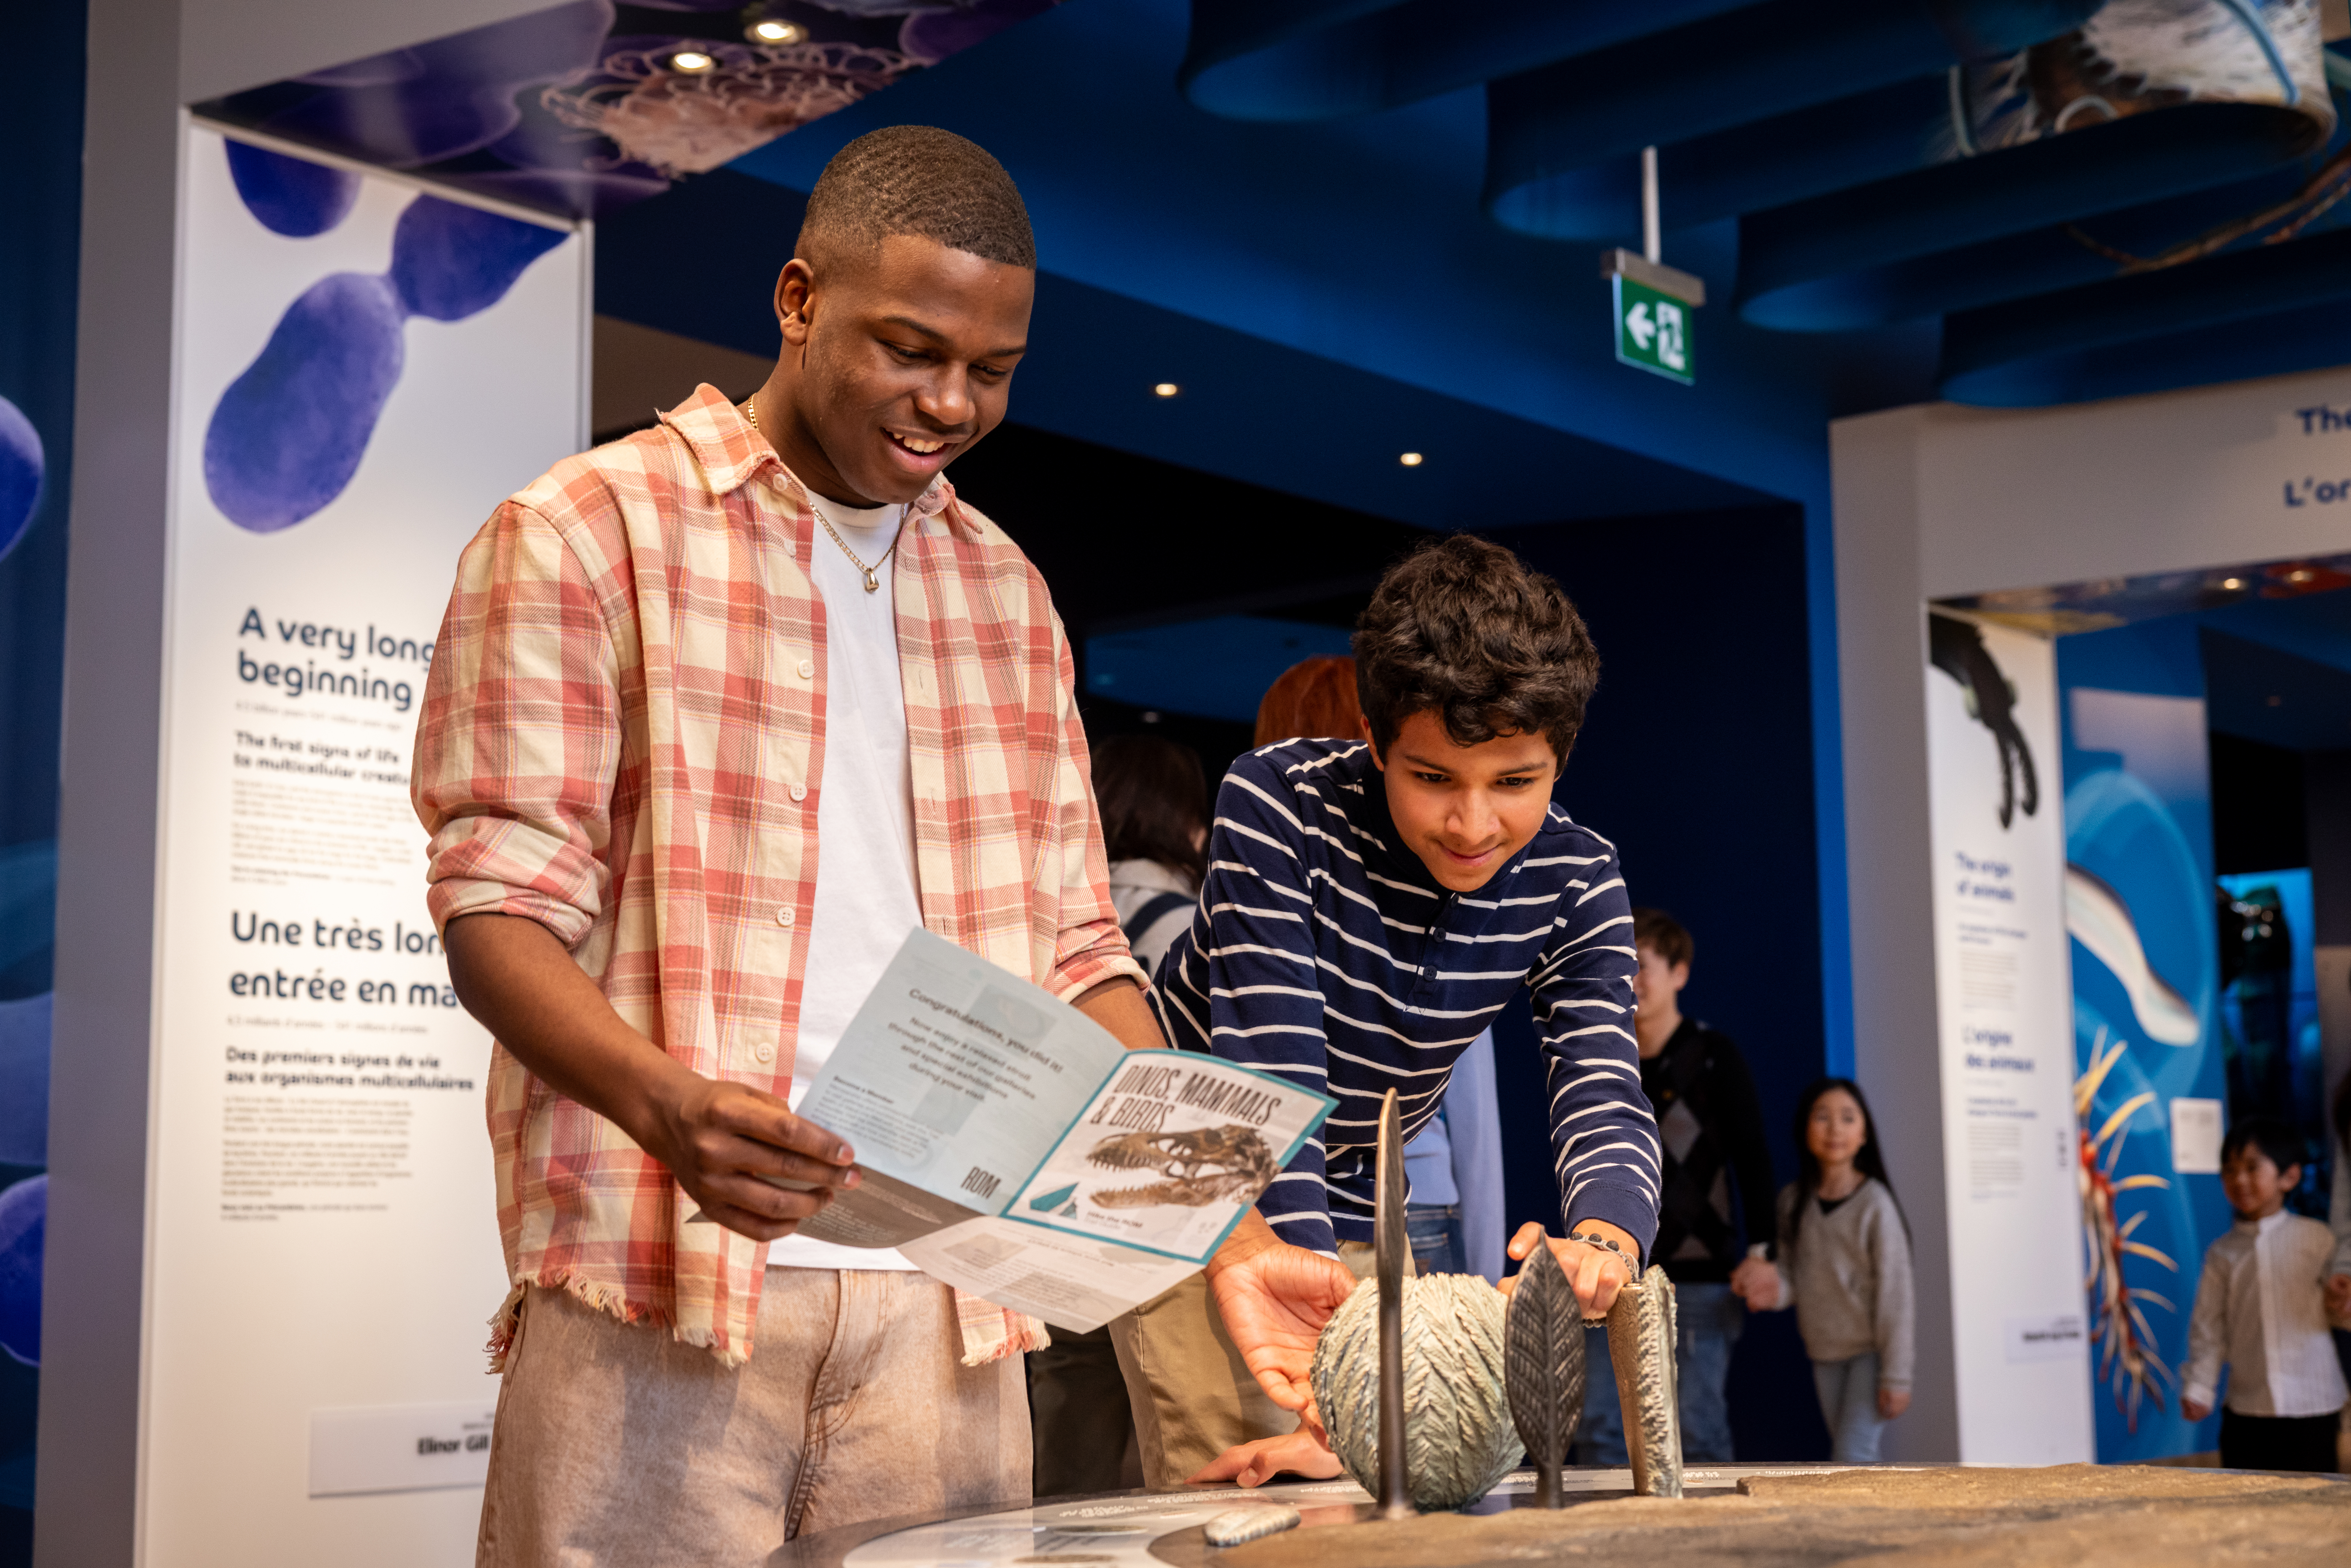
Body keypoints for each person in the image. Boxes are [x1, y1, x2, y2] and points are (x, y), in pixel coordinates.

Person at [412, 126, 1171, 1563]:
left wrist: (1170, 1174)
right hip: (658, 1294)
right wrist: (664, 1104)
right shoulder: (583, 531)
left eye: (992, 370)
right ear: (799, 298)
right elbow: (496, 901)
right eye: (909, 347)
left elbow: (1077, 942)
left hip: (951, 1314)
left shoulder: (1009, 594)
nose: (949, 402)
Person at [1168, 535, 1661, 1489]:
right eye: (1432, 777)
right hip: (1191, 1182)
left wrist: (1604, 1240)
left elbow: (1602, 1081)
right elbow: (1275, 1082)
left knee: (1369, 1475)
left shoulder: (1578, 874)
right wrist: (1324, 1362)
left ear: (1560, 756)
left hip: (1358, 1186)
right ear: (1373, 736)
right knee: (1232, 1489)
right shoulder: (1277, 805)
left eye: (1515, 783)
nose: (1473, 826)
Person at [1255, 654, 1508, 1283]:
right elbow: (1472, 1117)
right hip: (1408, 1207)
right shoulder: (1436, 900)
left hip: (1268, 1218)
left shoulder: (1257, 883)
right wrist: (1481, 1267)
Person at [1027, 733, 1209, 1496]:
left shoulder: (1043, 913)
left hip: (1055, 1184)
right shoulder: (1181, 920)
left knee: (1072, 1402)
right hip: (1157, 1190)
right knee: (1171, 1411)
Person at [1576, 908, 1777, 1464]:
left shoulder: (1715, 1055)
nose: (1631, 979)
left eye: (1641, 965)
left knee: (1698, 1431)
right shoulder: (1599, 1064)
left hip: (1701, 1280)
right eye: (1621, 966)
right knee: (1599, 1431)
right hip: (1611, 1276)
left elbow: (1753, 1158)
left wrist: (1765, 1252)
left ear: (1679, 973)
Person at [1740, 1078, 1914, 1462]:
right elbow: (1793, 1277)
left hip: (1869, 1354)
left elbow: (1897, 1296)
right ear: (1805, 1129)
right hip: (1824, 1352)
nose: (1835, 1129)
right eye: (1822, 1117)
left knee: (1852, 1457)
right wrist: (1770, 1290)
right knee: (1856, 1460)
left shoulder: (1875, 1205)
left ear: (1864, 1132)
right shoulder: (1792, 1202)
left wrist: (1897, 1376)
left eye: (1848, 1118)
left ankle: (1867, 1524)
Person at [2181, 1116, 2349, 1472]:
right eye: (2228, 1170)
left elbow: (2337, 1312)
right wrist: (2199, 1386)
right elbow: (2208, 1328)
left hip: (2314, 1405)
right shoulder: (2220, 1253)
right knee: (2249, 1510)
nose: (2239, 1180)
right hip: (2246, 1412)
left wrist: (2342, 1301)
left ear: (2288, 1176)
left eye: (2252, 1167)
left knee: (2316, 1510)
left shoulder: (2317, 1239)